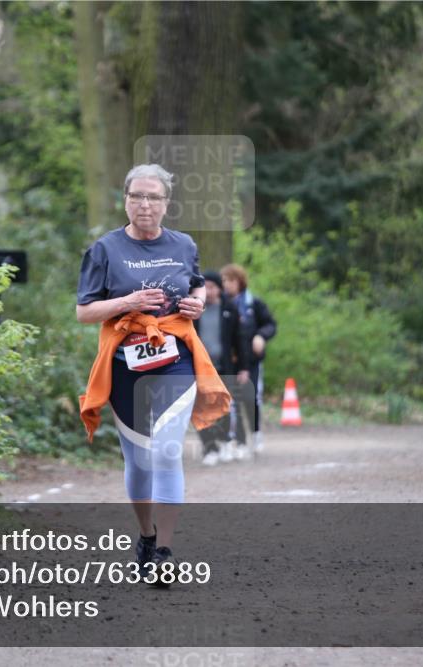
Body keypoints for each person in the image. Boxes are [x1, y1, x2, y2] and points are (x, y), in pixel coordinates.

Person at [76, 164, 230, 586]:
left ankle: (163, 549)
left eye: (153, 197)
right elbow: (84, 311)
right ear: (125, 200)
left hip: (176, 359)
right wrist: (127, 302)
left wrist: (197, 303)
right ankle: (145, 535)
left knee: (166, 451)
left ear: (166, 203)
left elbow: (196, 285)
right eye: (137, 196)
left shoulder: (183, 244)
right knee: (139, 459)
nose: (145, 204)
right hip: (126, 366)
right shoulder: (104, 250)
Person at [220, 264, 277, 459]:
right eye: (224, 281)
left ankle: (256, 433)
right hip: (229, 361)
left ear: (240, 282)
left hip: (251, 361)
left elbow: (270, 324)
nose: (227, 285)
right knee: (230, 402)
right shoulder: (221, 305)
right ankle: (234, 440)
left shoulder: (254, 304)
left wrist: (261, 336)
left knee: (251, 399)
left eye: (231, 280)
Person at [194, 271, 250, 466]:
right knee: (200, 409)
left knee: (224, 407)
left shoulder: (229, 309)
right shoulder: (193, 308)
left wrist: (243, 367)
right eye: (204, 287)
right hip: (199, 368)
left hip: (224, 366)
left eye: (212, 287)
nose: (208, 291)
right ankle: (209, 448)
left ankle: (227, 442)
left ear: (219, 288)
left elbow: (239, 340)